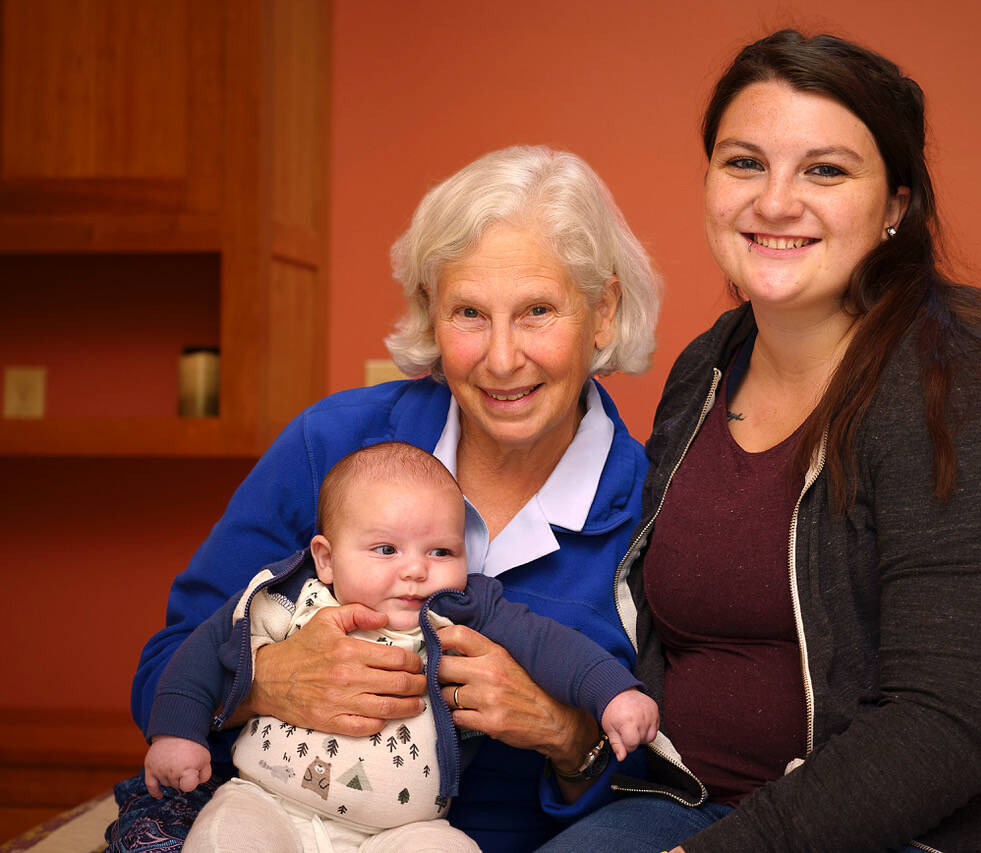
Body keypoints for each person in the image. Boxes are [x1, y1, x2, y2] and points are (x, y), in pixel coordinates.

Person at [541, 30, 981, 853]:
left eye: (825, 170)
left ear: (896, 205)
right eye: (744, 162)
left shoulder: (972, 393)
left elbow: (942, 726)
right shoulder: (709, 364)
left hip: (946, 829)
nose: (775, 201)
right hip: (697, 800)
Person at [109, 145, 663, 853]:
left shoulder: (656, 507)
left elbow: (676, 774)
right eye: (468, 311)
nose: (500, 357)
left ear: (603, 312)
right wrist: (269, 679)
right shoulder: (333, 442)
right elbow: (163, 670)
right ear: (433, 315)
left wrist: (565, 733)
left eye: (536, 311)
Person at [143, 442, 659, 852]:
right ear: (325, 558)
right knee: (225, 841)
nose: (415, 570)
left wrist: (613, 693)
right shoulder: (288, 599)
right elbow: (200, 656)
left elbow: (553, 646)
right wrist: (176, 733)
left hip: (404, 830)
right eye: (386, 549)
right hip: (267, 801)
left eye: (441, 551)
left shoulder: (460, 607)